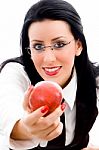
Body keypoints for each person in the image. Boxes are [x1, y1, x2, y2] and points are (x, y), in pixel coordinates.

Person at [0, 0, 99, 149]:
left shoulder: (94, 80)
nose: (49, 59)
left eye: (59, 44)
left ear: (78, 46)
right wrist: (26, 129)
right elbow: (6, 110)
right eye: (38, 46)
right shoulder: (16, 72)